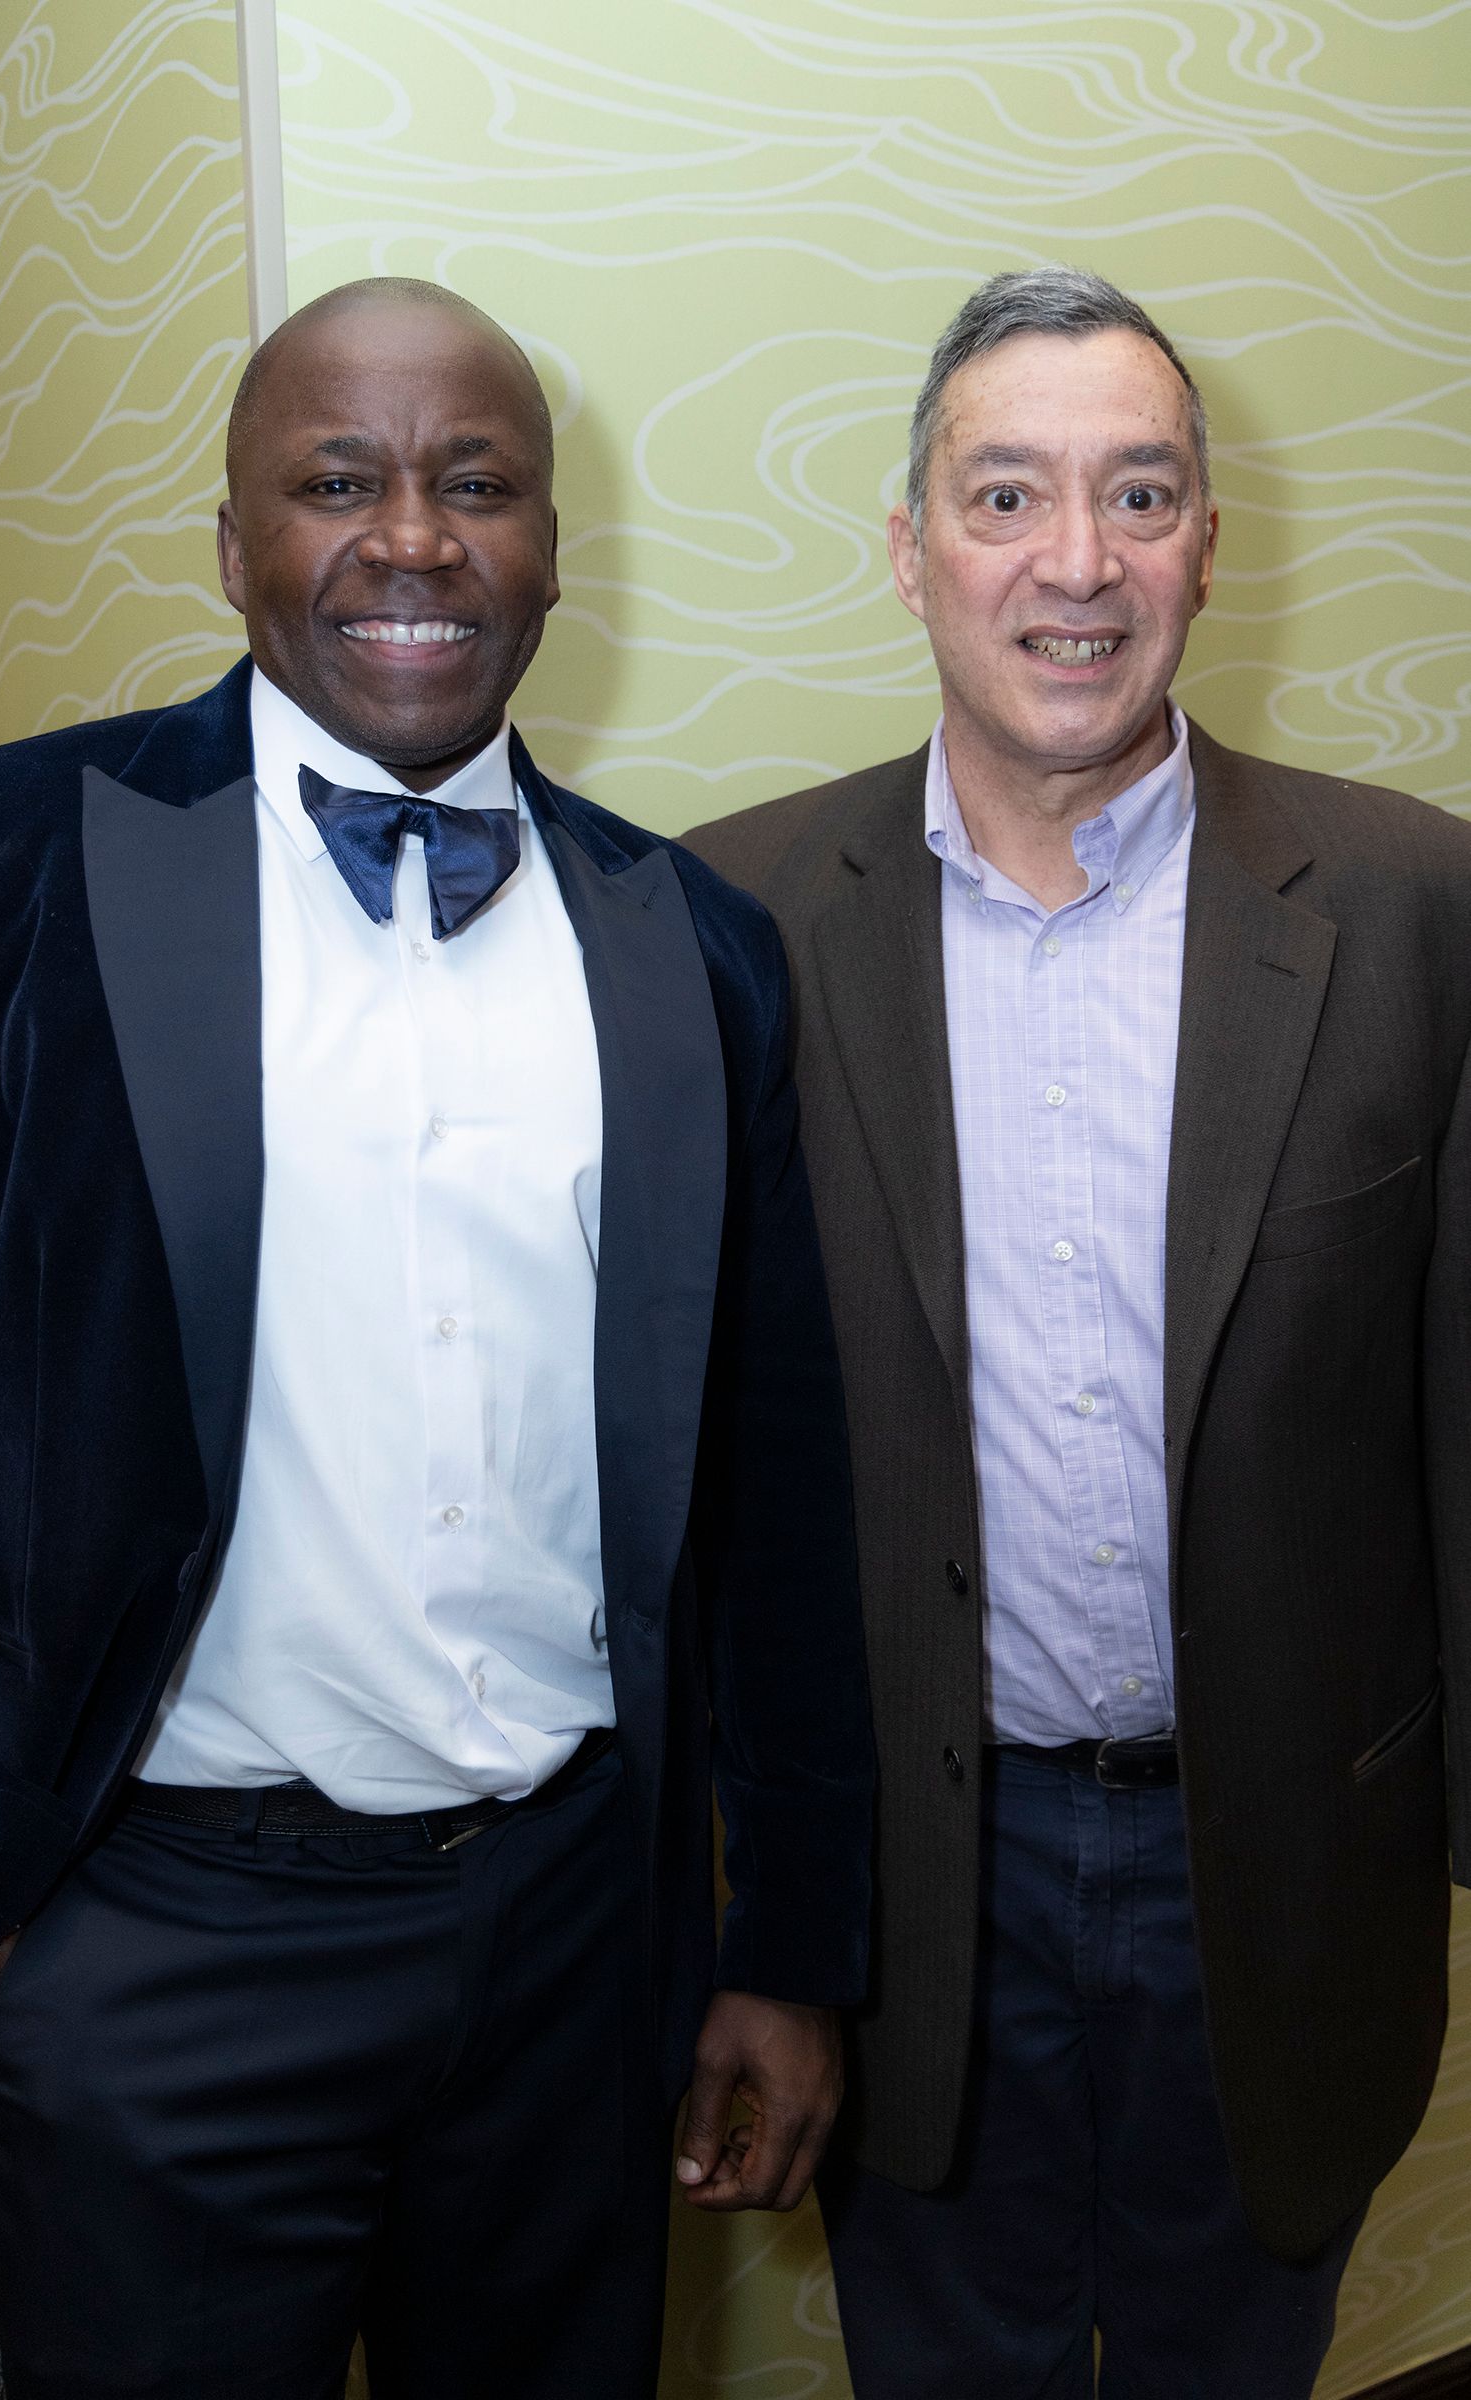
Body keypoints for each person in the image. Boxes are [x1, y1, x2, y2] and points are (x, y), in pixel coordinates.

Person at [0, 276, 874, 2400]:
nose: (412, 538)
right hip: (161, 1941)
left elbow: (776, 1486)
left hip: (576, 1952)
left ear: (552, 552)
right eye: (337, 482)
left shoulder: (694, 945)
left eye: (476, 485)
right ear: (232, 539)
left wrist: (785, 1949)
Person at [684, 265, 1471, 2398]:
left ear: (1207, 543)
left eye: (1138, 493)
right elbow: (691, 1489)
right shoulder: (727, 925)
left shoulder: (1417, 913)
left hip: (1287, 1878)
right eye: (1005, 494)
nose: (1076, 563)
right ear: (909, 547)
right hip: (915, 1896)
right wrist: (749, 1923)